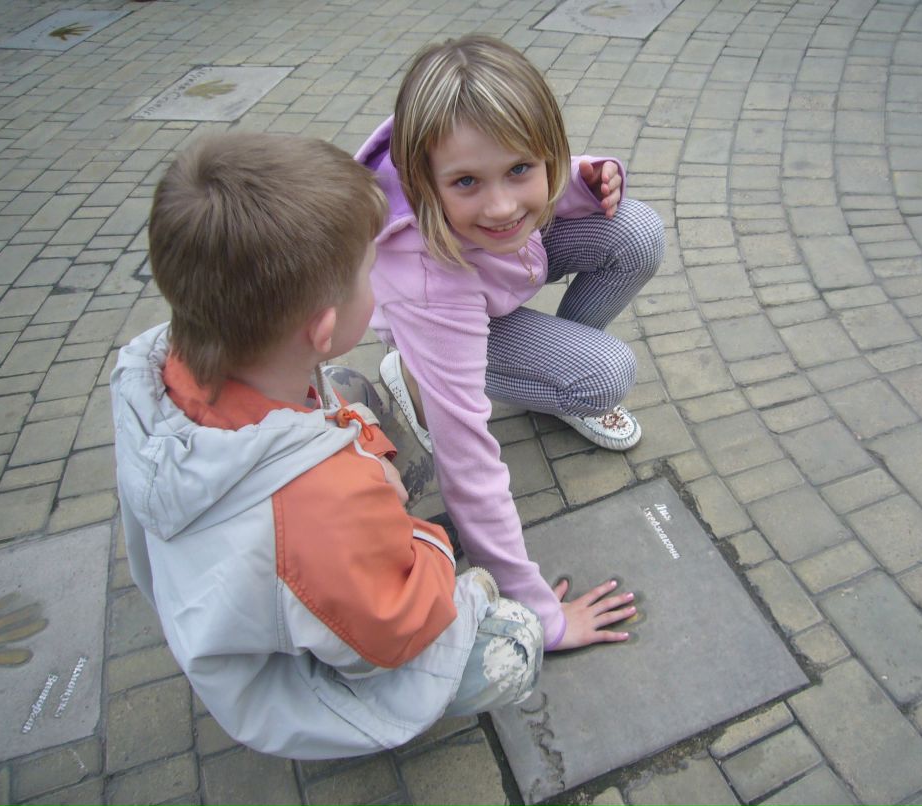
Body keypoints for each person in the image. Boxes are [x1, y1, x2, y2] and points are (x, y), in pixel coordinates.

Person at [110, 131, 542, 759]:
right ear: (323, 327)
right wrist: (438, 551)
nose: (378, 280)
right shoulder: (322, 507)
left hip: (243, 580)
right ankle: (371, 727)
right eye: (370, 271)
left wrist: (359, 458)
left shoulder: (157, 363)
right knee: (515, 640)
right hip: (293, 689)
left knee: (346, 392)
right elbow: (393, 630)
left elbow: (320, 416)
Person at [356, 35, 665, 652]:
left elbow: (542, 181)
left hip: (496, 274)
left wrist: (587, 179)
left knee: (635, 230)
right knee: (606, 375)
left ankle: (554, 370)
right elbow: (467, 464)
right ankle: (420, 375)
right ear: (422, 181)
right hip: (453, 308)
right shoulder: (428, 283)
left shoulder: (477, 148)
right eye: (466, 181)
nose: (501, 205)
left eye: (519, 170)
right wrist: (539, 617)